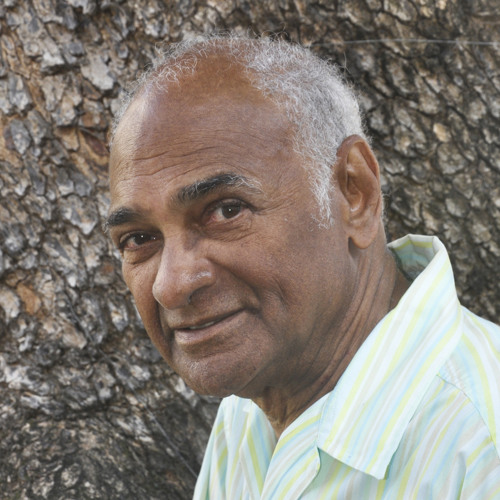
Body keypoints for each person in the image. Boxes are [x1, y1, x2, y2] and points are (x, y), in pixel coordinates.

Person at [106, 35, 500, 499]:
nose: (171, 286)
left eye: (226, 211)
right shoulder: (251, 407)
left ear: (354, 193)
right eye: (139, 239)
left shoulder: (480, 443)